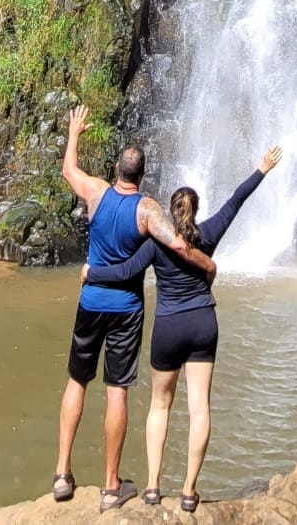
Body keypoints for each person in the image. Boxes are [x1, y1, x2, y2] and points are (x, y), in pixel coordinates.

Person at [84, 146, 284, 512]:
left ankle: (152, 487)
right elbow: (237, 200)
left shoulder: (157, 243)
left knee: (160, 405)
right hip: (203, 324)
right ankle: (190, 491)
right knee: (199, 408)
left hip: (168, 328)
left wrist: (91, 273)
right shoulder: (208, 234)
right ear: (195, 211)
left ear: (170, 212)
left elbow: (126, 272)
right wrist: (262, 169)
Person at [53, 105, 216, 513]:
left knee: (77, 381)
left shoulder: (95, 192)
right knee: (117, 391)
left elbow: (69, 171)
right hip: (126, 308)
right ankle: (111, 486)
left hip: (90, 302)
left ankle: (61, 474)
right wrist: (208, 265)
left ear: (116, 170)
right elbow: (178, 245)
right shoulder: (147, 211)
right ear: (142, 176)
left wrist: (74, 132)